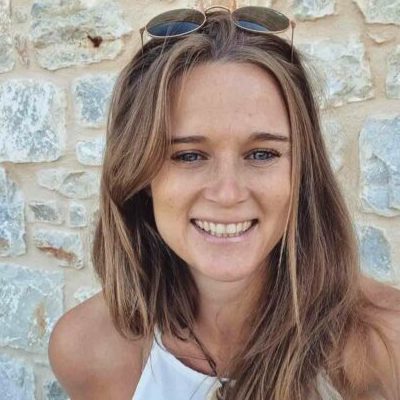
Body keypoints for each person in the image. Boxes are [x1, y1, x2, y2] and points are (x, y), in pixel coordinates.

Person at [48, 1, 400, 399]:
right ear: (140, 174)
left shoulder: (386, 343)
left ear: (302, 170)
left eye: (262, 154)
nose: (228, 193)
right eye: (188, 156)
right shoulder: (86, 350)